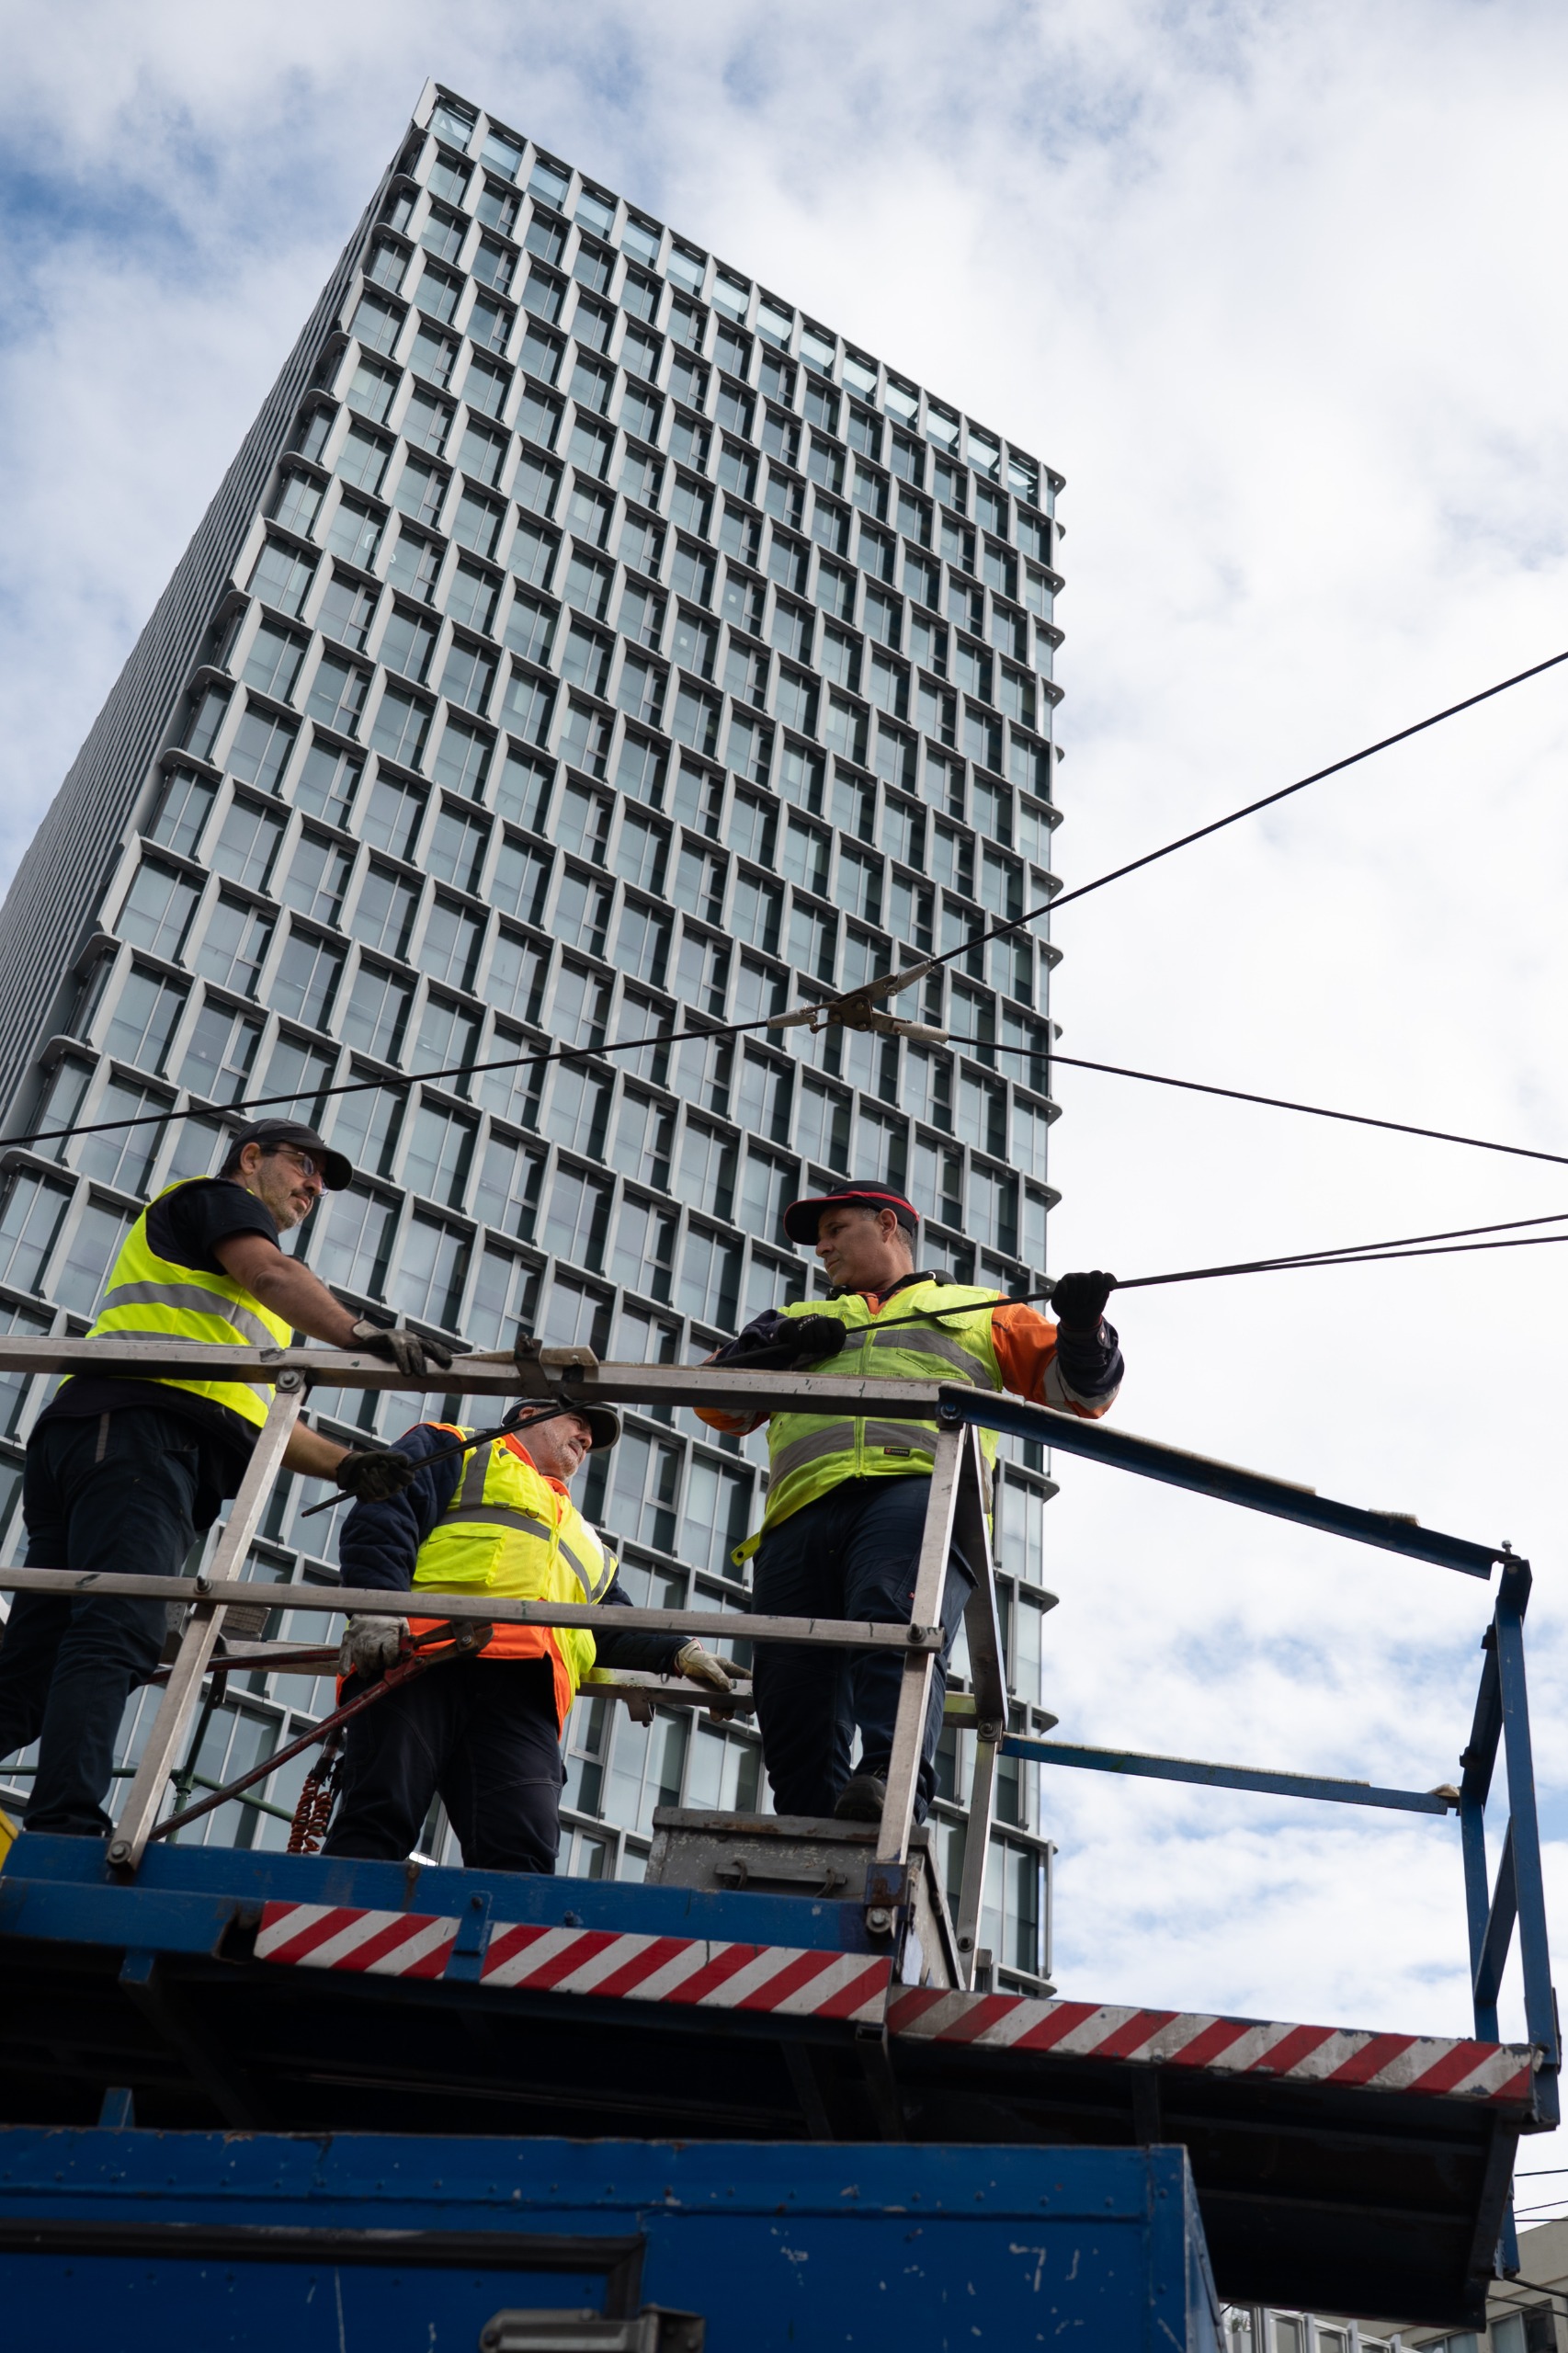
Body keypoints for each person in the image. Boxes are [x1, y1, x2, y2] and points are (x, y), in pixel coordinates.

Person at [0, 1118, 456, 1839]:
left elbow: (246, 1407)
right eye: (304, 1166)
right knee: (119, 1625)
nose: (313, 1187)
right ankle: (63, 1829)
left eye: (320, 1180)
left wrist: (346, 1463)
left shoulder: (238, 1314)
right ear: (252, 1158)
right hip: (141, 1437)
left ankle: (57, 1808)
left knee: (34, 1666)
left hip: (111, 1438)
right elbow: (274, 1274)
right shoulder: (216, 1203)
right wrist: (361, 1335)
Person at [696, 1181, 1124, 1825]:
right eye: (822, 1237)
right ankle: (811, 1831)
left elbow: (1076, 1396)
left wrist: (1085, 1329)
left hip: (918, 1488)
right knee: (790, 1686)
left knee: (891, 1617)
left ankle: (886, 1779)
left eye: (837, 1229)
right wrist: (780, 1347)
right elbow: (719, 1403)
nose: (823, 1246)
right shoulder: (792, 1317)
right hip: (801, 1512)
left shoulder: (982, 1309)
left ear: (888, 1225)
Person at [323, 1404, 736, 1873]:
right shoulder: (457, 1448)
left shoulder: (587, 1541)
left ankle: (497, 1946)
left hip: (525, 1695)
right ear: (530, 1412)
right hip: (422, 1659)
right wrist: (379, 1607)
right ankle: (319, 1941)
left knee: (523, 1851)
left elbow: (614, 1624)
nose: (586, 1438)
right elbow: (386, 1518)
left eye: (591, 1436)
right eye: (577, 1421)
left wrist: (680, 1651)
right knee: (379, 1816)